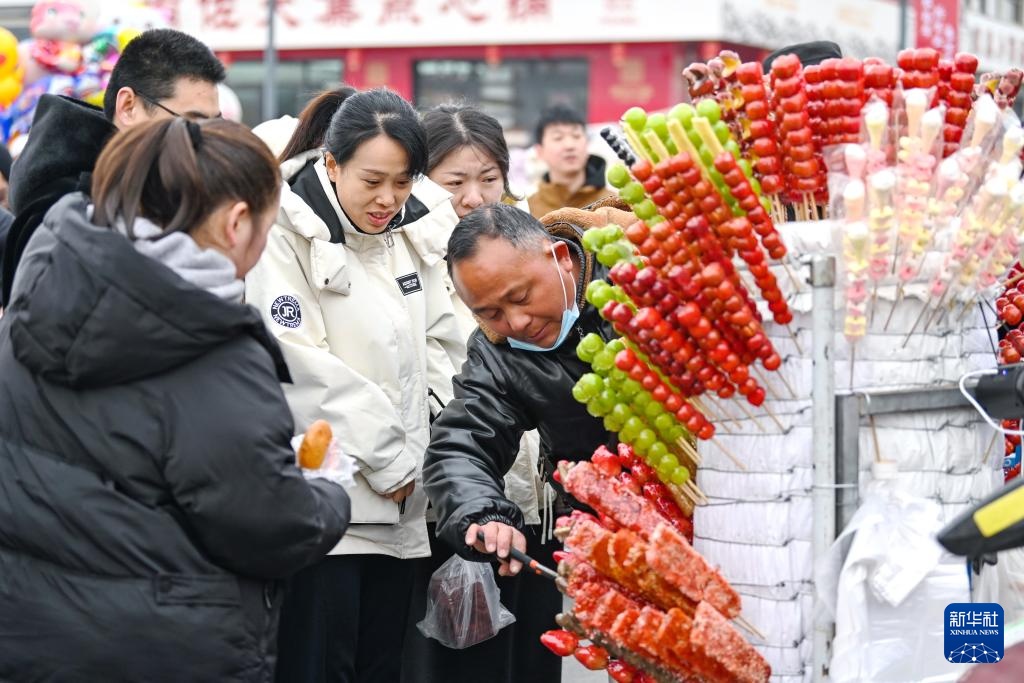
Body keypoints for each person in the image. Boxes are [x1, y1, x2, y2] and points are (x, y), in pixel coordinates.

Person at [0, 117, 350, 682]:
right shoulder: (209, 347)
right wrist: (327, 490)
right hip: (163, 647)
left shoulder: (32, 299)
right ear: (237, 223)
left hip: (27, 637)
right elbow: (267, 525)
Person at [246, 87, 464, 683]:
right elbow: (300, 367)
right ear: (332, 163)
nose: (387, 199)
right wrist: (393, 459)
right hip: (330, 511)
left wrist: (431, 451)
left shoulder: (412, 233)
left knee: (379, 667)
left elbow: (446, 344)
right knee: (322, 666)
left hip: (404, 507)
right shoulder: (283, 235)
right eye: (372, 180)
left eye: (402, 181)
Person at [422, 202, 642, 679]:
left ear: (561, 257)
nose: (516, 322)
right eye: (492, 312)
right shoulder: (500, 353)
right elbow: (462, 441)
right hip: (608, 541)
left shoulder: (637, 274)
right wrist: (481, 513)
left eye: (521, 297)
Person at [401, 103, 554, 683]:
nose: (474, 196)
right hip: (452, 503)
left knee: (533, 655)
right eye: (454, 181)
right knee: (461, 660)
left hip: (530, 500)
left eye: (488, 178)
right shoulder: (410, 256)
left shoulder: (530, 248)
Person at [1, 27, 224, 306]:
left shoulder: (146, 185)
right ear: (128, 106)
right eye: (192, 123)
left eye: (216, 124)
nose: (206, 139)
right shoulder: (62, 209)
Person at [526, 103, 613, 219]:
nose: (569, 145)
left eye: (576, 136)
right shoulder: (527, 210)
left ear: (587, 144)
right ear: (540, 152)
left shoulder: (613, 204)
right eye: (558, 138)